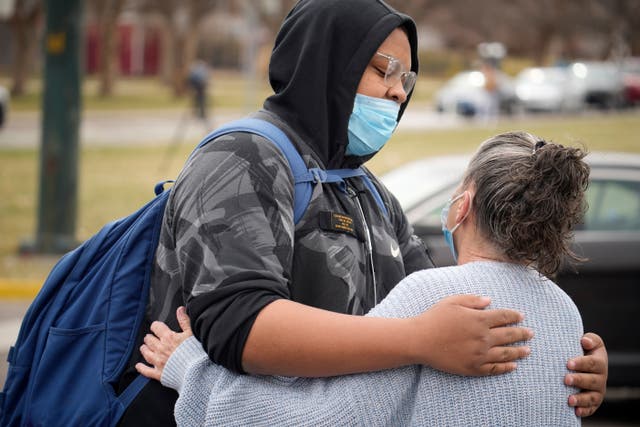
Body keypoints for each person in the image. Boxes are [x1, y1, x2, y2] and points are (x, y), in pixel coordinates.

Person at [117, 1, 607, 424]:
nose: (398, 92)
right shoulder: (242, 158)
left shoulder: (366, 190)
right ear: (327, 63)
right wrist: (415, 338)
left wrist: (561, 364)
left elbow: (449, 314)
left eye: (406, 79)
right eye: (382, 69)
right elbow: (240, 326)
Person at [138, 133, 591, 426]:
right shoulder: (562, 311)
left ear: (462, 208)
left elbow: (320, 422)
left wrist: (189, 368)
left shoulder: (432, 298)